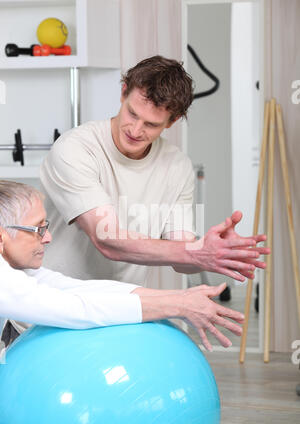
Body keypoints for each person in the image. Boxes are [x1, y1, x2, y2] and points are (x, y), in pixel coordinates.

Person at [40, 55, 269, 286]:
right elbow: (106, 239)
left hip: (117, 308)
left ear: (172, 120)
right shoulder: (75, 148)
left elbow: (182, 261)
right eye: (132, 113)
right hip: (52, 303)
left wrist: (212, 252)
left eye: (151, 124)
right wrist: (195, 251)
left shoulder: (177, 167)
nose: (136, 130)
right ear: (123, 92)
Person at [0, 180, 244, 352]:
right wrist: (178, 305)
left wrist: (182, 298)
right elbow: (75, 309)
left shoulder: (15, 270)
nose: (48, 237)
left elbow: (76, 289)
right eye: (38, 229)